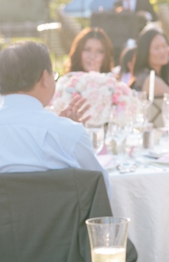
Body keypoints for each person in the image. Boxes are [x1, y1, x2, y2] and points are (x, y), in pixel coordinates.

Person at [0, 41, 110, 195]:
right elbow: (102, 190)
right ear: (45, 77)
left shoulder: (65, 132)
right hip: (56, 219)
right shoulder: (69, 134)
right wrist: (64, 127)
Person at [130, 29, 169, 96]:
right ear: (145, 52)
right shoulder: (151, 80)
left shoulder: (156, 77)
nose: (162, 51)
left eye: (164, 46)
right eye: (156, 48)